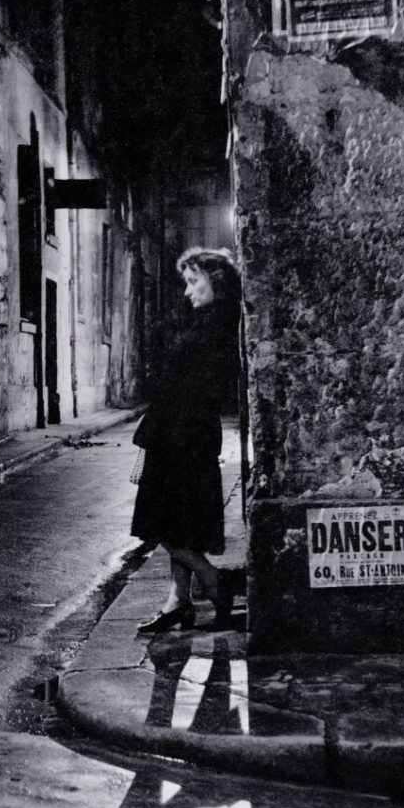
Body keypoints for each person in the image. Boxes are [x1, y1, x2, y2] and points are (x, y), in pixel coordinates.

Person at [132, 246, 241, 634]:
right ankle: (178, 602)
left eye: (195, 282)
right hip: (178, 434)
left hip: (184, 438)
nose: (188, 291)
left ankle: (214, 583)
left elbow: (198, 386)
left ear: (218, 282)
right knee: (175, 523)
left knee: (163, 524)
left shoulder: (217, 328)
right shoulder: (206, 321)